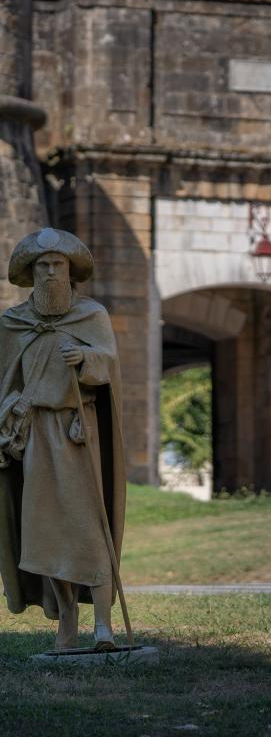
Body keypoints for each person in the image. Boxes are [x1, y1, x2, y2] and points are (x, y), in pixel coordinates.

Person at [0, 228, 126, 651]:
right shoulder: (14, 323)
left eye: (58, 265)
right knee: (46, 534)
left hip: (79, 435)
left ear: (71, 271)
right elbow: (5, 383)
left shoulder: (91, 316)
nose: (51, 273)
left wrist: (87, 359)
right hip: (36, 438)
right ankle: (66, 623)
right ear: (31, 273)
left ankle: (104, 627)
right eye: (43, 266)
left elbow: (109, 365)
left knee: (90, 529)